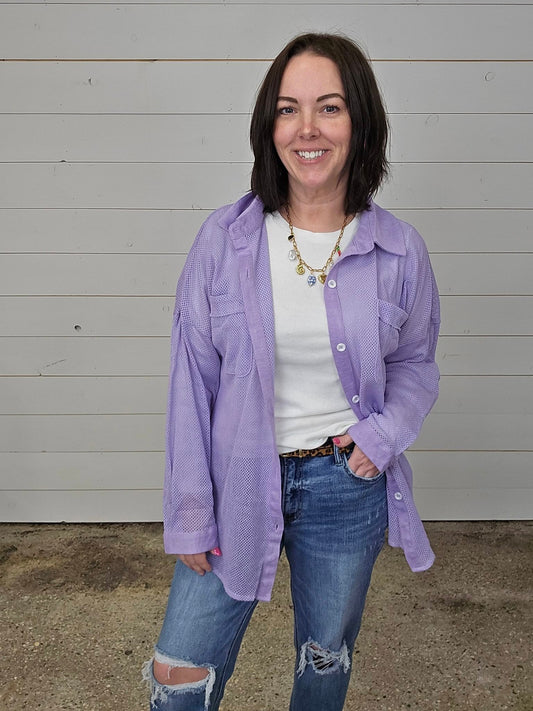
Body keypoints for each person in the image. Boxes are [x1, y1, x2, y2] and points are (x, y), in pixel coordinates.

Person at [143, 32, 440, 711]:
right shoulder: (224, 239)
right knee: (180, 673)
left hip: (345, 487)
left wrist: (380, 437)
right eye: (287, 108)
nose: (306, 128)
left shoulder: (398, 250)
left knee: (324, 659)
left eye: (328, 107)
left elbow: (416, 364)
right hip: (233, 482)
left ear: (359, 122)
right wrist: (190, 511)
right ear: (267, 126)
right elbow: (190, 380)